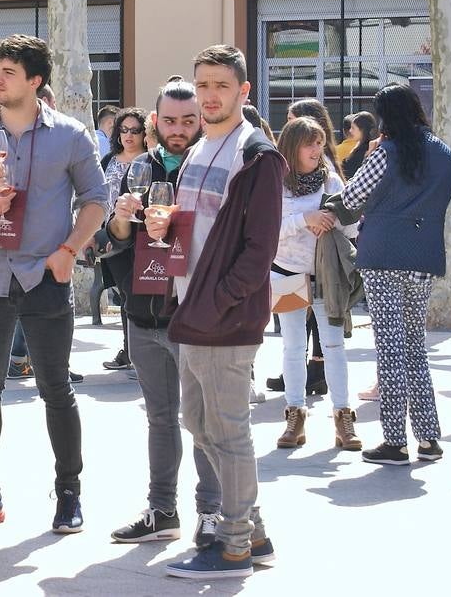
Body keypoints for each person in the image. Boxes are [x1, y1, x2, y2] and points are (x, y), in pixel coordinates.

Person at [0, 35, 107, 537]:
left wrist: (68, 252)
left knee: (56, 389)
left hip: (44, 276)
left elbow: (96, 198)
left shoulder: (69, 135)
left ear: (36, 81)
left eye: (9, 72)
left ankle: (69, 493)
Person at [149, 46, 282, 580]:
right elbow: (198, 226)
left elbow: (259, 249)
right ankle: (254, 531)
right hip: (192, 306)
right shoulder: (203, 147)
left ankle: (233, 548)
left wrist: (220, 299)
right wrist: (165, 226)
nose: (209, 96)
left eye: (221, 86)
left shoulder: (256, 154)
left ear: (243, 92)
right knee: (199, 423)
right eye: (203, 84)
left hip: (224, 315)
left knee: (228, 431)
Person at [106, 78, 222, 546]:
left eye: (187, 121)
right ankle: (162, 510)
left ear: (200, 120)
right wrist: (120, 217)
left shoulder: (210, 167)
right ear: (155, 121)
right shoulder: (138, 169)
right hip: (142, 313)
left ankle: (212, 514)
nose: (178, 130)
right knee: (159, 417)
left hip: (191, 317)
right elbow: (113, 240)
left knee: (202, 420)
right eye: (170, 121)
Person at [333, 84, 451, 465]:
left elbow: (352, 198)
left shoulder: (385, 152)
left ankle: (394, 440)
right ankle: (429, 438)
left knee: (389, 348)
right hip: (423, 254)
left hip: (384, 253)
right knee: (414, 346)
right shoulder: (443, 152)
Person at [270, 117, 360, 452]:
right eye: (310, 143)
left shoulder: (332, 181)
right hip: (286, 271)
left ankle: (343, 416)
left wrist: (335, 221)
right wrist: (303, 220)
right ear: (293, 148)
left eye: (320, 143)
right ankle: (295, 415)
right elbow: (266, 230)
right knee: (293, 346)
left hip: (326, 277)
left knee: (333, 345)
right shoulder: (275, 182)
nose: (317, 150)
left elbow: (351, 229)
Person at [96, 107, 147, 344]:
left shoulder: (149, 160)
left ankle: (136, 347)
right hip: (114, 236)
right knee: (124, 290)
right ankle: (128, 348)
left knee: (139, 292)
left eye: (135, 131)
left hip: (143, 235)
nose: (129, 135)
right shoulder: (108, 160)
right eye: (124, 130)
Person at [342, 112, 378, 180]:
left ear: (362, 130)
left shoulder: (365, 150)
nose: (350, 131)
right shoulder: (360, 147)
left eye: (353, 128)